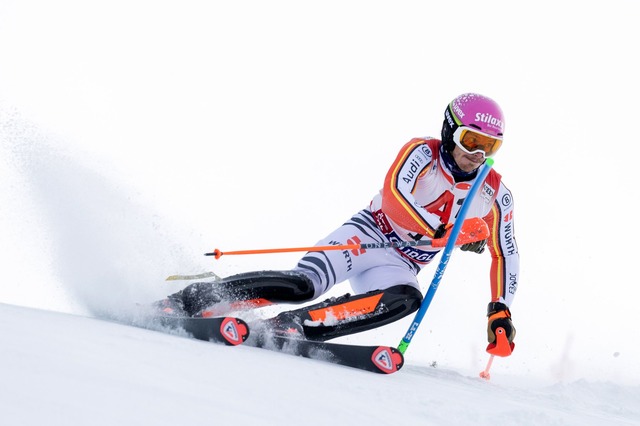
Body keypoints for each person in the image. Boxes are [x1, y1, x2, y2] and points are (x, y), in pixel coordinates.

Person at [155, 93, 519, 349]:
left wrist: (499, 310)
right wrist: (446, 233)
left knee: (408, 299)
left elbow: (505, 253)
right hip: (367, 235)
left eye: (489, 147)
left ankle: (297, 325)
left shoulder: (494, 193)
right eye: (471, 140)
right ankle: (191, 298)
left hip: (403, 262)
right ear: (449, 130)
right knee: (305, 284)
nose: (477, 155)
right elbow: (394, 196)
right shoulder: (423, 152)